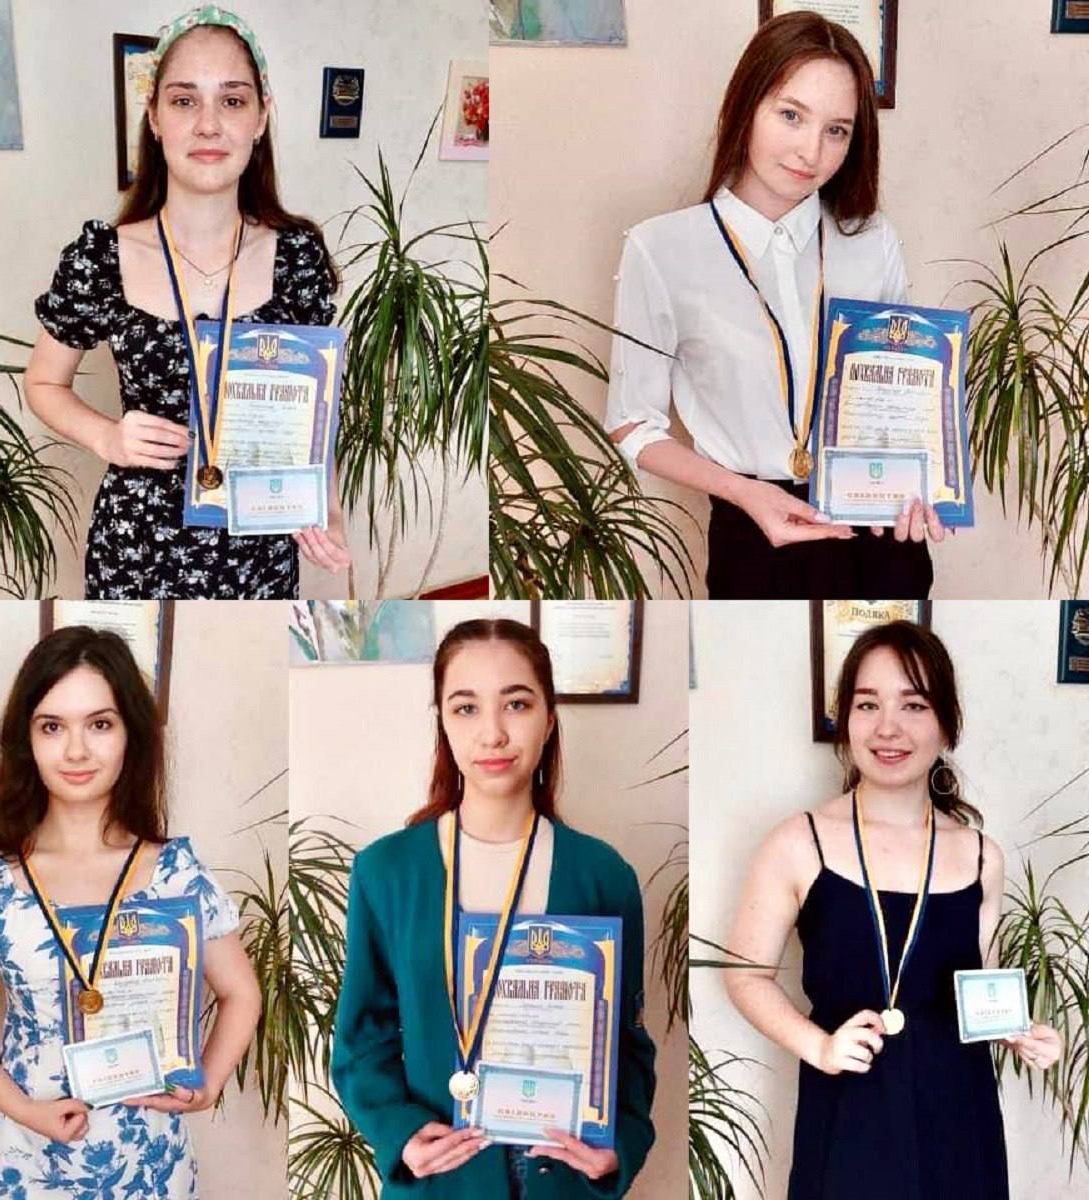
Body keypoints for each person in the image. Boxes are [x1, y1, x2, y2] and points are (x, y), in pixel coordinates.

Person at [606, 12, 947, 599]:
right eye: (791, 115)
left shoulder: (872, 240)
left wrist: (923, 485)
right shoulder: (660, 248)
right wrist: (743, 491)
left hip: (879, 528)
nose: (810, 151)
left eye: (836, 130)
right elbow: (632, 423)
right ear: (745, 106)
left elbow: (901, 393)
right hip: (754, 534)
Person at [724, 621, 1061, 1198]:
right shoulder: (798, 842)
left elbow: (981, 987)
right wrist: (819, 1046)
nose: (888, 727)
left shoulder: (981, 855)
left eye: (913, 705)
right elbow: (744, 974)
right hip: (848, 1112)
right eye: (867, 704)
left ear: (946, 723)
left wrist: (1020, 1032)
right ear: (845, 720)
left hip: (960, 1117)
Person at [23, 6, 349, 598]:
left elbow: (315, 406)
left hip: (259, 542)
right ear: (154, 117)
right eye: (183, 100)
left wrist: (325, 504)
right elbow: (43, 383)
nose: (208, 125)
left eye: (232, 100)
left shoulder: (297, 257)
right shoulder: (101, 257)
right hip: (136, 546)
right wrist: (106, 437)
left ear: (261, 117)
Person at [0, 626, 262, 1199]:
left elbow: (242, 992)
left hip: (150, 1163)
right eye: (52, 727)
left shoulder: (176, 871)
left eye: (100, 724)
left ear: (131, 733)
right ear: (25, 740)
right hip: (25, 1161)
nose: (76, 751)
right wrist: (26, 1111)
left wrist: (208, 1084)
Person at [332, 618, 656, 1198]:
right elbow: (361, 1038)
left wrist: (617, 1148)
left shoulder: (602, 875)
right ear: (442, 721)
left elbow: (627, 1043)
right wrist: (400, 1133)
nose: (493, 734)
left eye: (517, 704)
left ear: (549, 718)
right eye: (466, 708)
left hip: (561, 1183)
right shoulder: (386, 872)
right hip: (443, 1180)